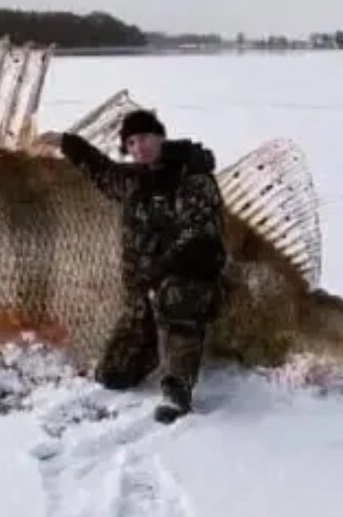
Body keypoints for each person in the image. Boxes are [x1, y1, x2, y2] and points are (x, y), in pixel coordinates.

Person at [46, 108, 227, 423]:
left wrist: (161, 271)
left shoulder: (191, 177)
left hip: (186, 283)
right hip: (144, 292)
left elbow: (200, 236)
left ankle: (177, 390)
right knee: (113, 375)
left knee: (176, 299)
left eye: (144, 137)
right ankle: (157, 347)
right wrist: (68, 143)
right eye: (131, 143)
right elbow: (103, 172)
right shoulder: (135, 180)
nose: (139, 147)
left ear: (160, 136)